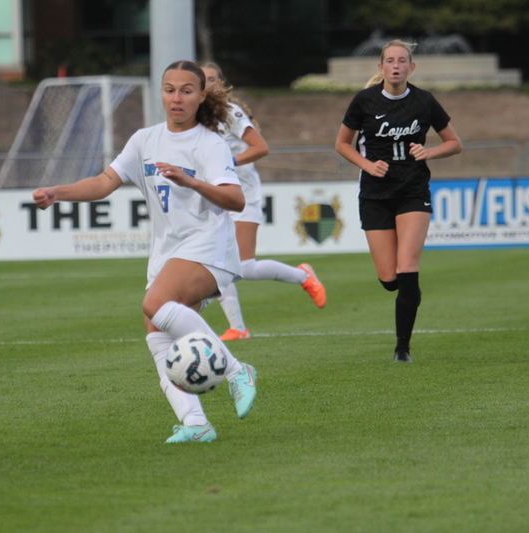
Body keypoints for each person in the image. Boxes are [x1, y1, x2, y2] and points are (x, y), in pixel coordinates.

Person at [33, 60, 258, 443]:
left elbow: (235, 199)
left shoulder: (210, 143)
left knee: (154, 303)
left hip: (208, 246)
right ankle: (195, 424)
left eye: (186, 90)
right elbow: (105, 182)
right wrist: (59, 193)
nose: (176, 98)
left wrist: (191, 180)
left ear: (202, 95)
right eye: (169, 89)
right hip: (167, 252)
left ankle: (237, 370)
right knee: (157, 336)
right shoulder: (144, 140)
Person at [334, 40, 462, 362]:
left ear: (411, 67)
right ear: (380, 68)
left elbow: (455, 143)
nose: (395, 65)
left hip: (412, 191)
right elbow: (341, 144)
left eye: (402, 60)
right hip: (375, 195)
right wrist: (366, 164)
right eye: (389, 60)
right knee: (390, 280)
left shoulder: (423, 101)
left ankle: (402, 348)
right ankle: (406, 290)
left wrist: (428, 151)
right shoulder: (364, 100)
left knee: (408, 268)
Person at [198, 61, 326, 342]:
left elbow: (261, 147)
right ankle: (238, 328)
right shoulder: (196, 118)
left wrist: (228, 163)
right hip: (216, 197)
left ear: (221, 84)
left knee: (244, 267)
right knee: (218, 264)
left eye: (211, 79)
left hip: (243, 195)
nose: (206, 84)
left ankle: (303, 276)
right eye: (201, 80)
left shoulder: (230, 112)